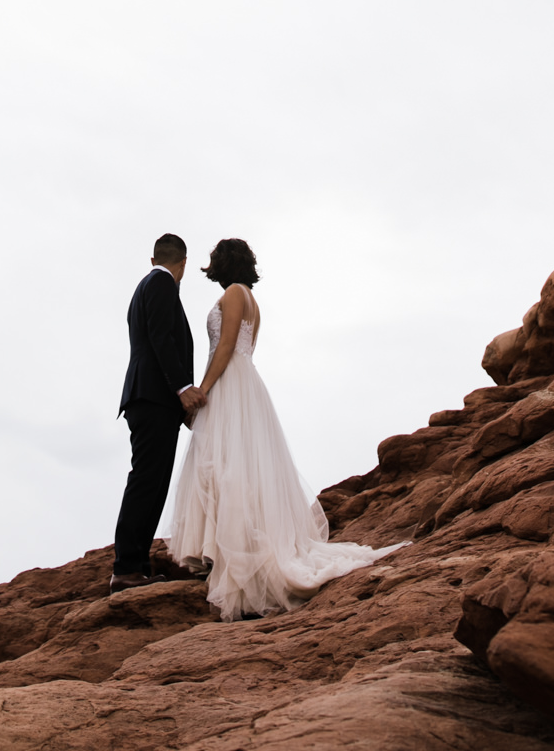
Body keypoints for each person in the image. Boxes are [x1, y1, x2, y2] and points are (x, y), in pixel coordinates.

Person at [168, 236, 400, 621]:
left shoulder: (233, 296)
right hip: (243, 382)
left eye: (213, 259)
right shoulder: (250, 298)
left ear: (224, 263)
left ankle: (238, 557)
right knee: (238, 465)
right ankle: (233, 550)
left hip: (229, 383)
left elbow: (225, 347)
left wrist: (203, 390)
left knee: (227, 465)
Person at [111, 232, 205, 593]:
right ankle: (127, 567)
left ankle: (137, 566)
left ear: (154, 259)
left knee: (151, 481)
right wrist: (182, 388)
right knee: (148, 481)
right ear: (183, 263)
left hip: (147, 398)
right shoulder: (162, 284)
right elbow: (162, 337)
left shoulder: (146, 285)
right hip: (153, 398)